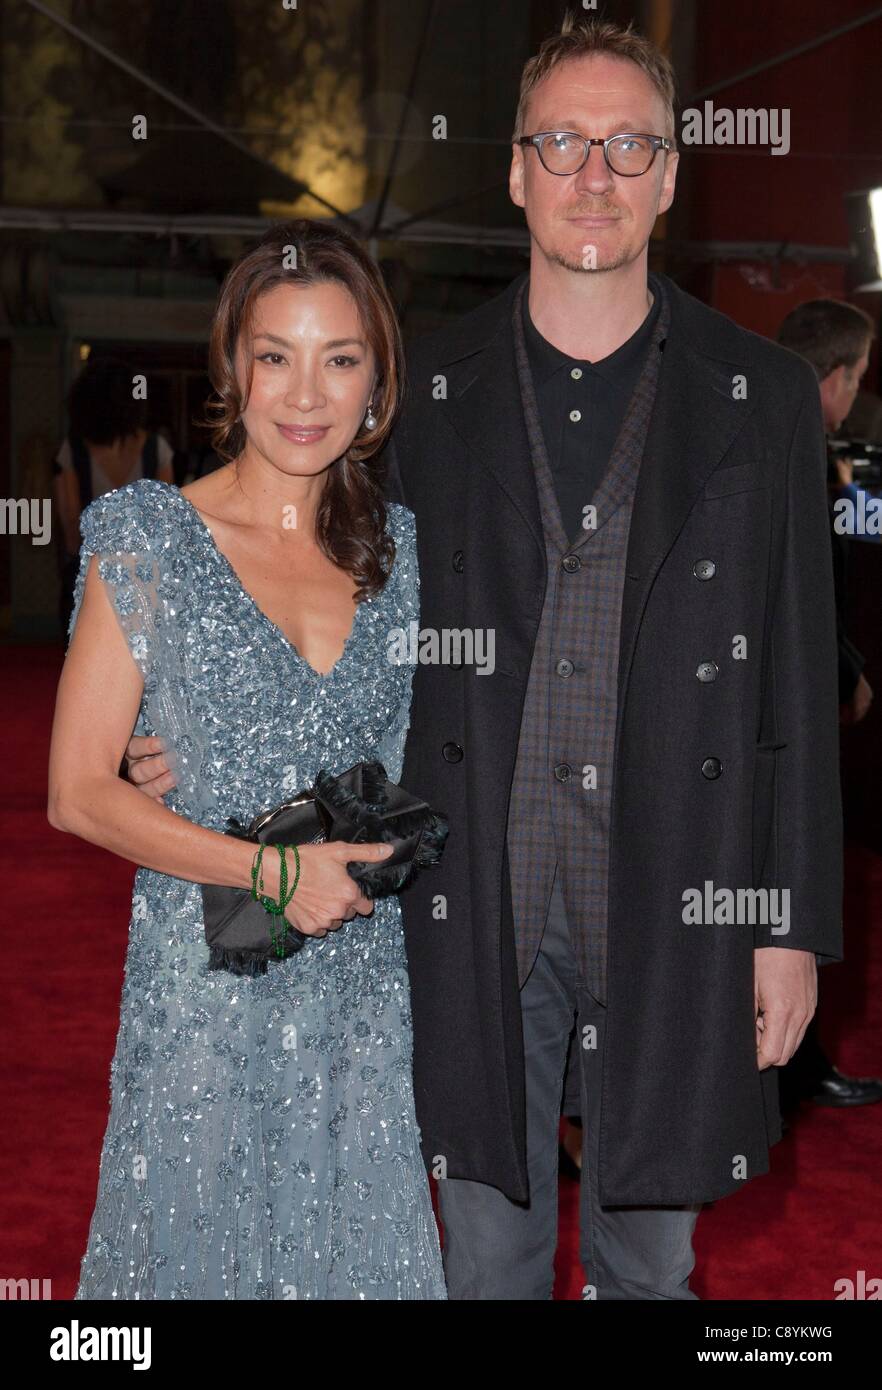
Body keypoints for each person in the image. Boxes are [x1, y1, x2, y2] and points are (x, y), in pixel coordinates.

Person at [124, 15, 843, 1300]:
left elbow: (793, 676)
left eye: (629, 146)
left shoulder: (766, 396)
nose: (595, 177)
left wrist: (786, 926)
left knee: (651, 1261)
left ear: (672, 174)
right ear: (515, 170)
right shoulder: (424, 392)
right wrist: (181, 718)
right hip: (467, 903)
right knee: (486, 1264)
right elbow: (307, 583)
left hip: (678, 895)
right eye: (563, 142)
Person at [48, 220, 447, 1300]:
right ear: (235, 367)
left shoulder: (401, 556)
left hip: (360, 1003)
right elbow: (76, 791)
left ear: (377, 382)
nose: (305, 393)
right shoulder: (146, 534)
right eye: (277, 355)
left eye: (340, 358)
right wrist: (271, 871)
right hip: (205, 999)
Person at [775, 298, 882, 1111]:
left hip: (755, 707)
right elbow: (806, 596)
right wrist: (849, 677)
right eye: (858, 379)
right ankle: (795, 1066)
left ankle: (794, 1061)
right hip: (791, 712)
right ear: (839, 376)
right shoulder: (800, 451)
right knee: (801, 880)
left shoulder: (748, 428)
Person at [53, 356, 175, 634]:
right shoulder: (157, 449)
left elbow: (70, 526)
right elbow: (167, 520)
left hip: (89, 578)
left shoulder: (73, 450)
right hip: (145, 581)